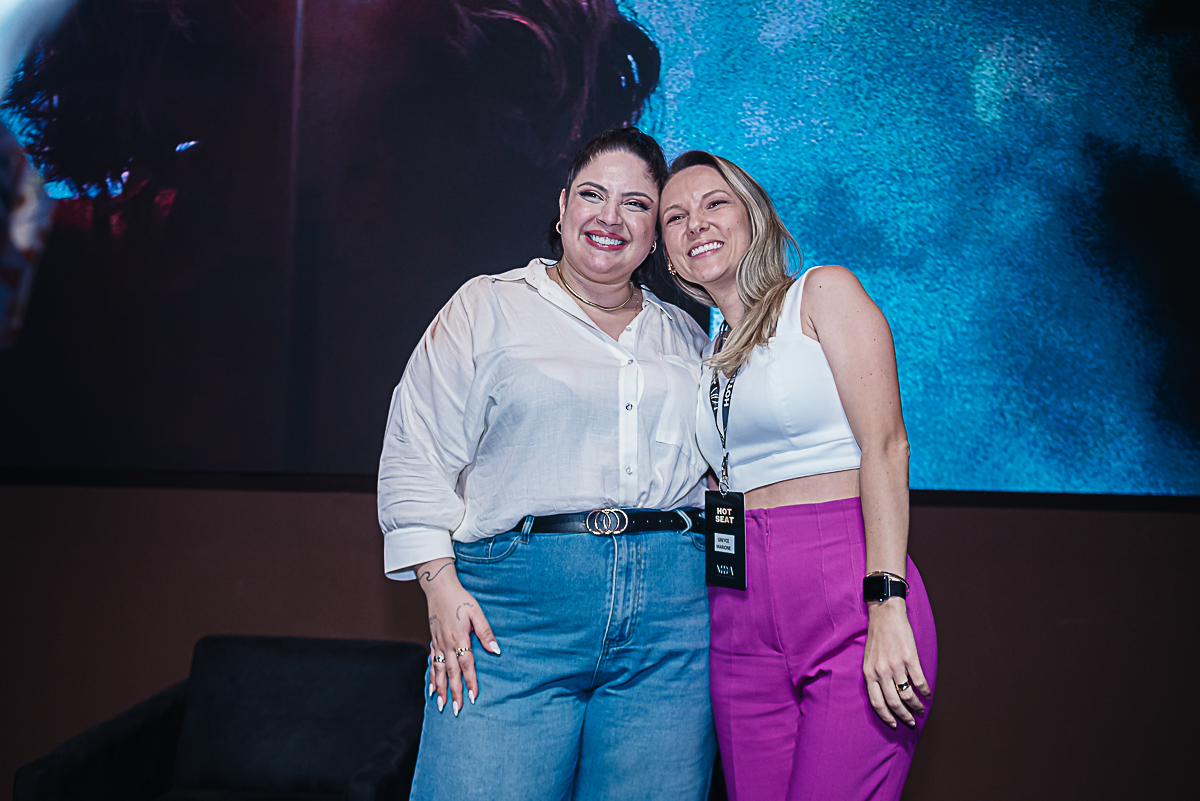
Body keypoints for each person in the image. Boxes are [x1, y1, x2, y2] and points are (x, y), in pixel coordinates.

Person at [377, 127, 716, 800]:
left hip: (671, 629)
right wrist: (439, 589)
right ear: (562, 208)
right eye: (592, 195)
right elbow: (416, 445)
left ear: (656, 235)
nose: (610, 217)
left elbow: (719, 473)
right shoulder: (489, 305)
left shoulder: (684, 333)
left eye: (636, 204)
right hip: (512, 621)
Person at [659, 150, 937, 801]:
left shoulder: (821, 293)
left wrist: (887, 603)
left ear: (753, 216)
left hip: (851, 595)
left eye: (714, 203)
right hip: (737, 617)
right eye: (675, 216)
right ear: (667, 255)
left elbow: (887, 445)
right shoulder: (704, 356)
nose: (696, 223)